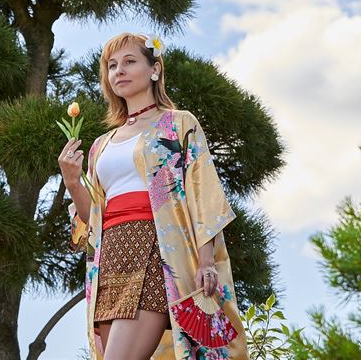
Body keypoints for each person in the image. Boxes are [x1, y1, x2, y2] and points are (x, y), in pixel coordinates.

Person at [58, 32, 249, 360]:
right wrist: (73, 182)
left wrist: (206, 262)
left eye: (130, 61)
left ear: (155, 69)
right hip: (111, 258)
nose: (119, 70)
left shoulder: (178, 124)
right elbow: (93, 219)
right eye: (112, 65)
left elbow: (203, 192)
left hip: (156, 249)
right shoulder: (101, 145)